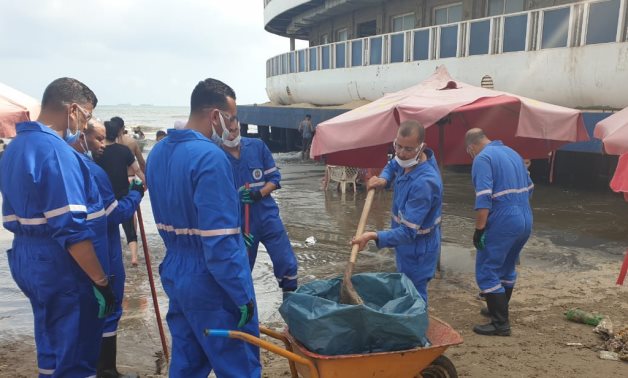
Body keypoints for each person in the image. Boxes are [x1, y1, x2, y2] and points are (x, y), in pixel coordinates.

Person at [0, 77, 115, 377]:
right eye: (86, 117)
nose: (84, 124)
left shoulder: (15, 146)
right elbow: (71, 229)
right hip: (61, 264)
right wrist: (100, 280)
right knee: (76, 355)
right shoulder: (57, 152)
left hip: (27, 257)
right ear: (73, 110)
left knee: (51, 345)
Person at [146, 78, 260, 377]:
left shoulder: (157, 152)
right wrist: (241, 295)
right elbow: (219, 244)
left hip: (176, 270)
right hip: (212, 281)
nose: (233, 127)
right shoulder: (211, 157)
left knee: (188, 360)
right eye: (231, 118)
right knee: (239, 364)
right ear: (215, 116)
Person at [73, 119, 144, 377]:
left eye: (104, 138)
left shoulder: (66, 165)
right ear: (83, 135)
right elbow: (114, 214)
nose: (101, 145)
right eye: (97, 139)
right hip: (102, 247)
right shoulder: (92, 170)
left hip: (75, 252)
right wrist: (136, 194)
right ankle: (106, 369)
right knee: (109, 307)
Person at [352, 121, 442, 306]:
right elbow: (392, 166)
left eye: (408, 149)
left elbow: (408, 233)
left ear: (421, 147)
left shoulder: (424, 183)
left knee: (415, 293)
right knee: (404, 285)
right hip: (405, 244)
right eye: (398, 146)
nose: (401, 153)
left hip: (418, 247)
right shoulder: (406, 161)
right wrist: (383, 180)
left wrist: (373, 235)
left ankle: (417, 330)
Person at [464, 128, 533, 337]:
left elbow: (483, 198)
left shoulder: (482, 158)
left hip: (504, 217)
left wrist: (479, 229)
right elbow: (530, 188)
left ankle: (500, 324)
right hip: (525, 216)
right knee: (506, 265)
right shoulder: (513, 153)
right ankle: (497, 309)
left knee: (487, 269)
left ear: (471, 147)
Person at [221, 119, 299, 293]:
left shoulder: (257, 146)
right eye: (229, 132)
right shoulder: (217, 155)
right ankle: (245, 313)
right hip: (240, 221)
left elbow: (275, 180)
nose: (233, 135)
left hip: (267, 216)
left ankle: (291, 306)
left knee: (285, 260)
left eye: (236, 130)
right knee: (242, 268)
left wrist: (259, 194)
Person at [96, 120, 145, 266]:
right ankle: (134, 258)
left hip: (104, 196)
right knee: (130, 227)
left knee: (108, 229)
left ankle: (107, 256)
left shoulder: (98, 152)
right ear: (118, 132)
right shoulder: (124, 150)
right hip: (123, 193)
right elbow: (136, 169)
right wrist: (146, 182)